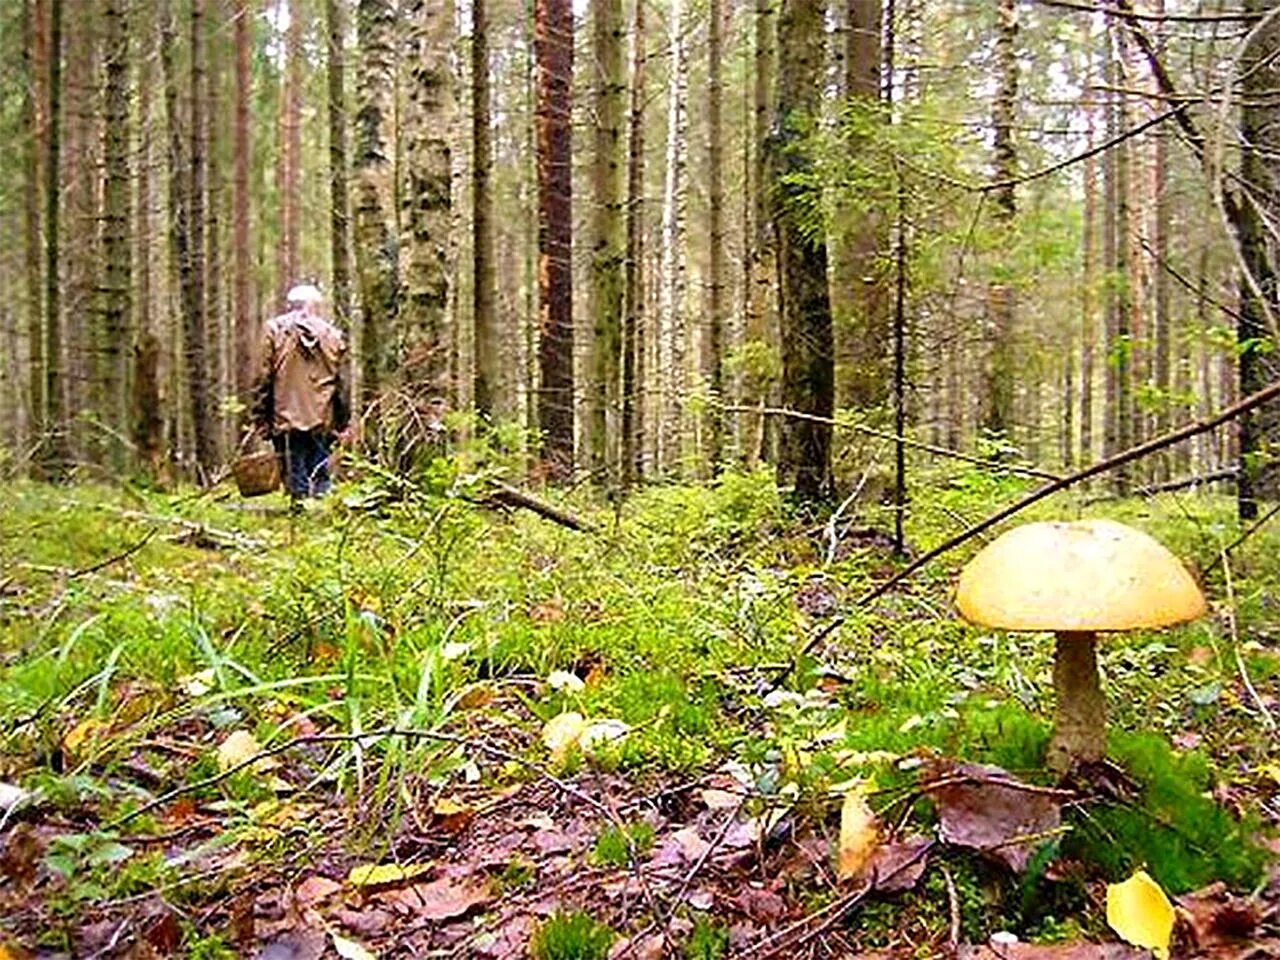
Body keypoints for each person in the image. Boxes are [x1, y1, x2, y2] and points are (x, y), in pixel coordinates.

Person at [252, 282, 351, 500]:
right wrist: (342, 420)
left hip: (285, 416)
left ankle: (300, 520)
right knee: (320, 473)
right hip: (323, 417)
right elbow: (342, 383)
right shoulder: (332, 335)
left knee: (294, 474)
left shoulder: (274, 331)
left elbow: (263, 378)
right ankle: (320, 521)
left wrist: (260, 417)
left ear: (289, 305)